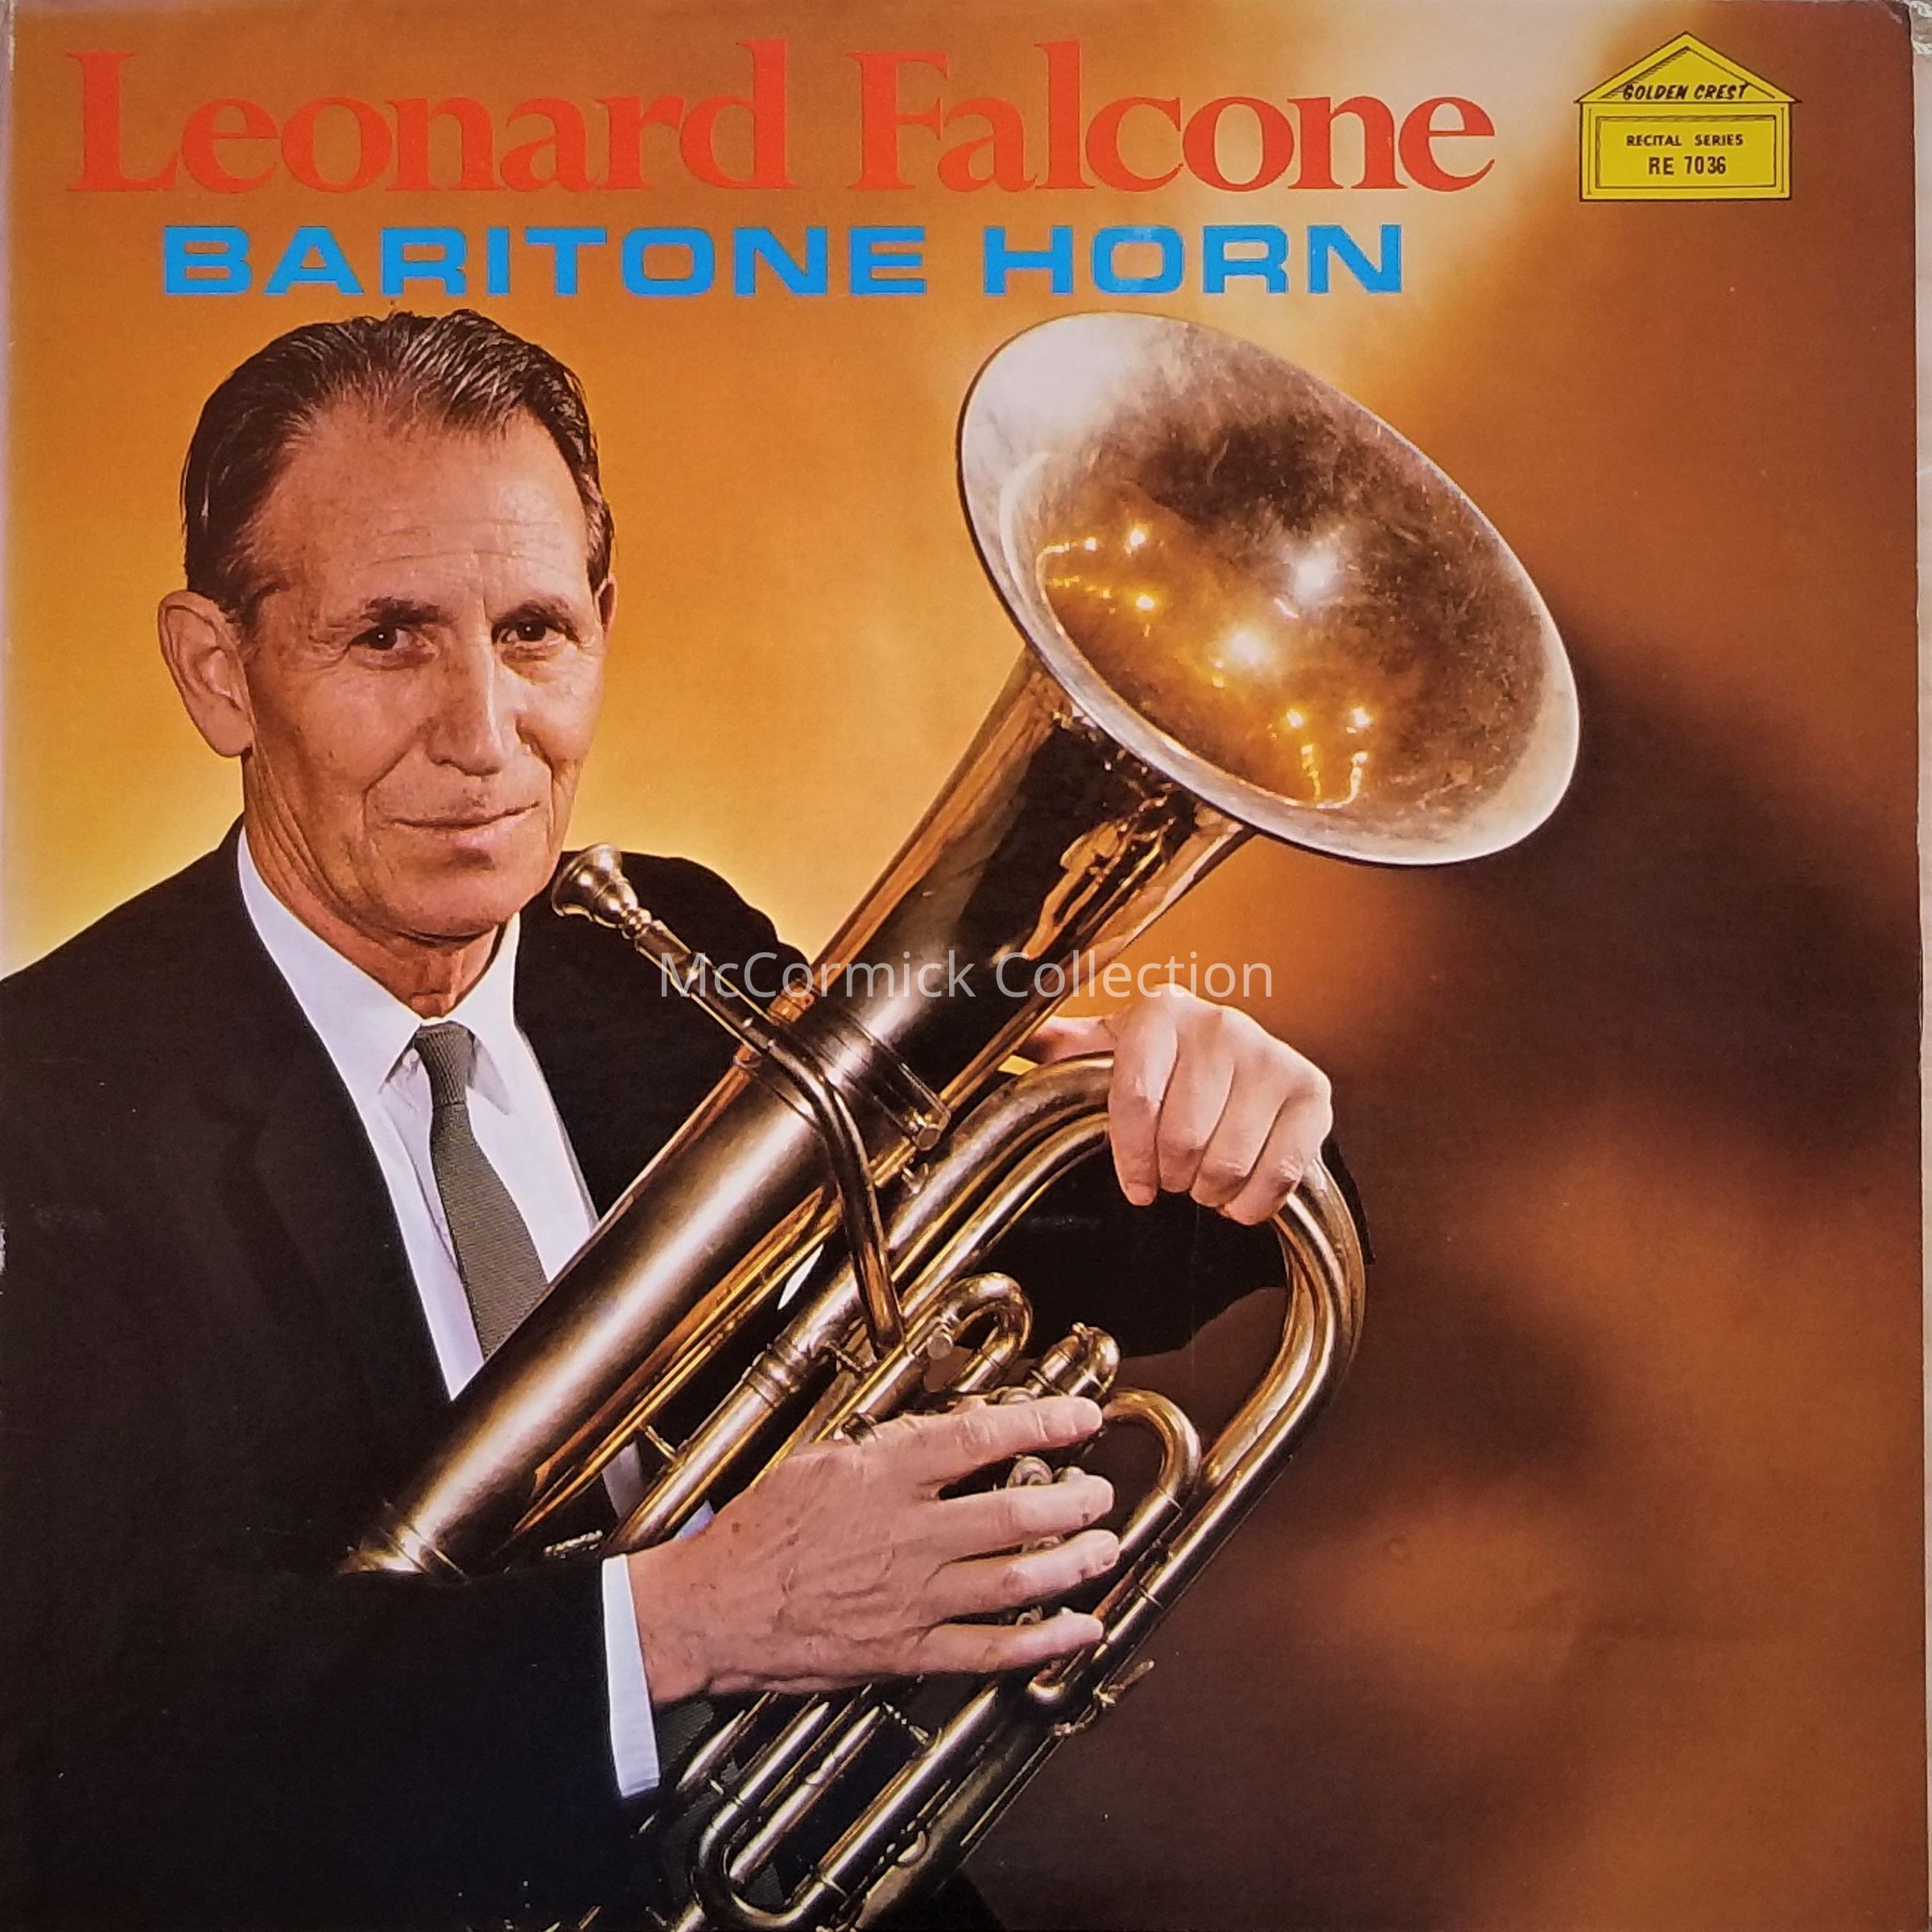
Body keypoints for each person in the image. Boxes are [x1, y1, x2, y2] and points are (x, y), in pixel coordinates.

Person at [0, 311, 1339, 1930]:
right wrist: (687, 1622)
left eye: (535, 632)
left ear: (603, 627)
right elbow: (93, 1741)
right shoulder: (43, 1102)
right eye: (388, 639)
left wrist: (1209, 1119)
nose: (484, 735)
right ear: (220, 670)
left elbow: (1064, 1250)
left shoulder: (663, 949)